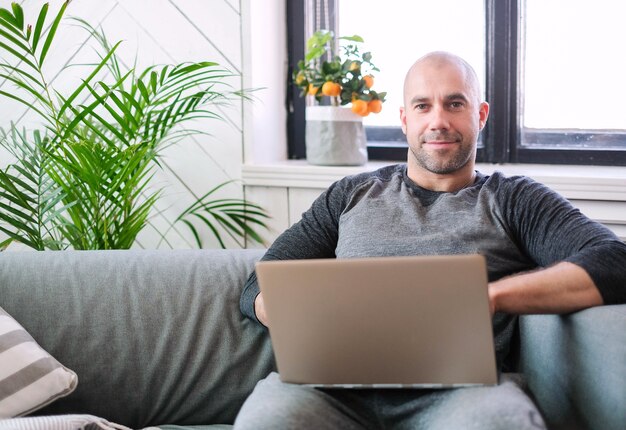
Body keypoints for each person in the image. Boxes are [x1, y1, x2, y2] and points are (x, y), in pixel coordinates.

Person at [234, 51, 626, 429]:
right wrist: (299, 317)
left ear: (481, 114)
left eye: (455, 104)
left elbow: (614, 260)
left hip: (462, 396)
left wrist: (488, 296)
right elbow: (258, 284)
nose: (438, 121)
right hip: (329, 393)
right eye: (422, 106)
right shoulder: (349, 195)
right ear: (404, 120)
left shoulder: (514, 199)